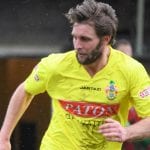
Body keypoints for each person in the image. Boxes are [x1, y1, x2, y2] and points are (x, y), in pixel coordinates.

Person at [0, 0, 150, 150]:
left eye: (85, 39)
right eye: (74, 37)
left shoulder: (131, 70)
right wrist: (4, 137)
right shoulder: (55, 65)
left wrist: (126, 132)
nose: (77, 45)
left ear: (106, 39)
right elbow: (25, 90)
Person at [114, 39, 150, 150]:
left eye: (129, 56)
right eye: (123, 56)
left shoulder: (139, 76)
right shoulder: (107, 79)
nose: (127, 60)